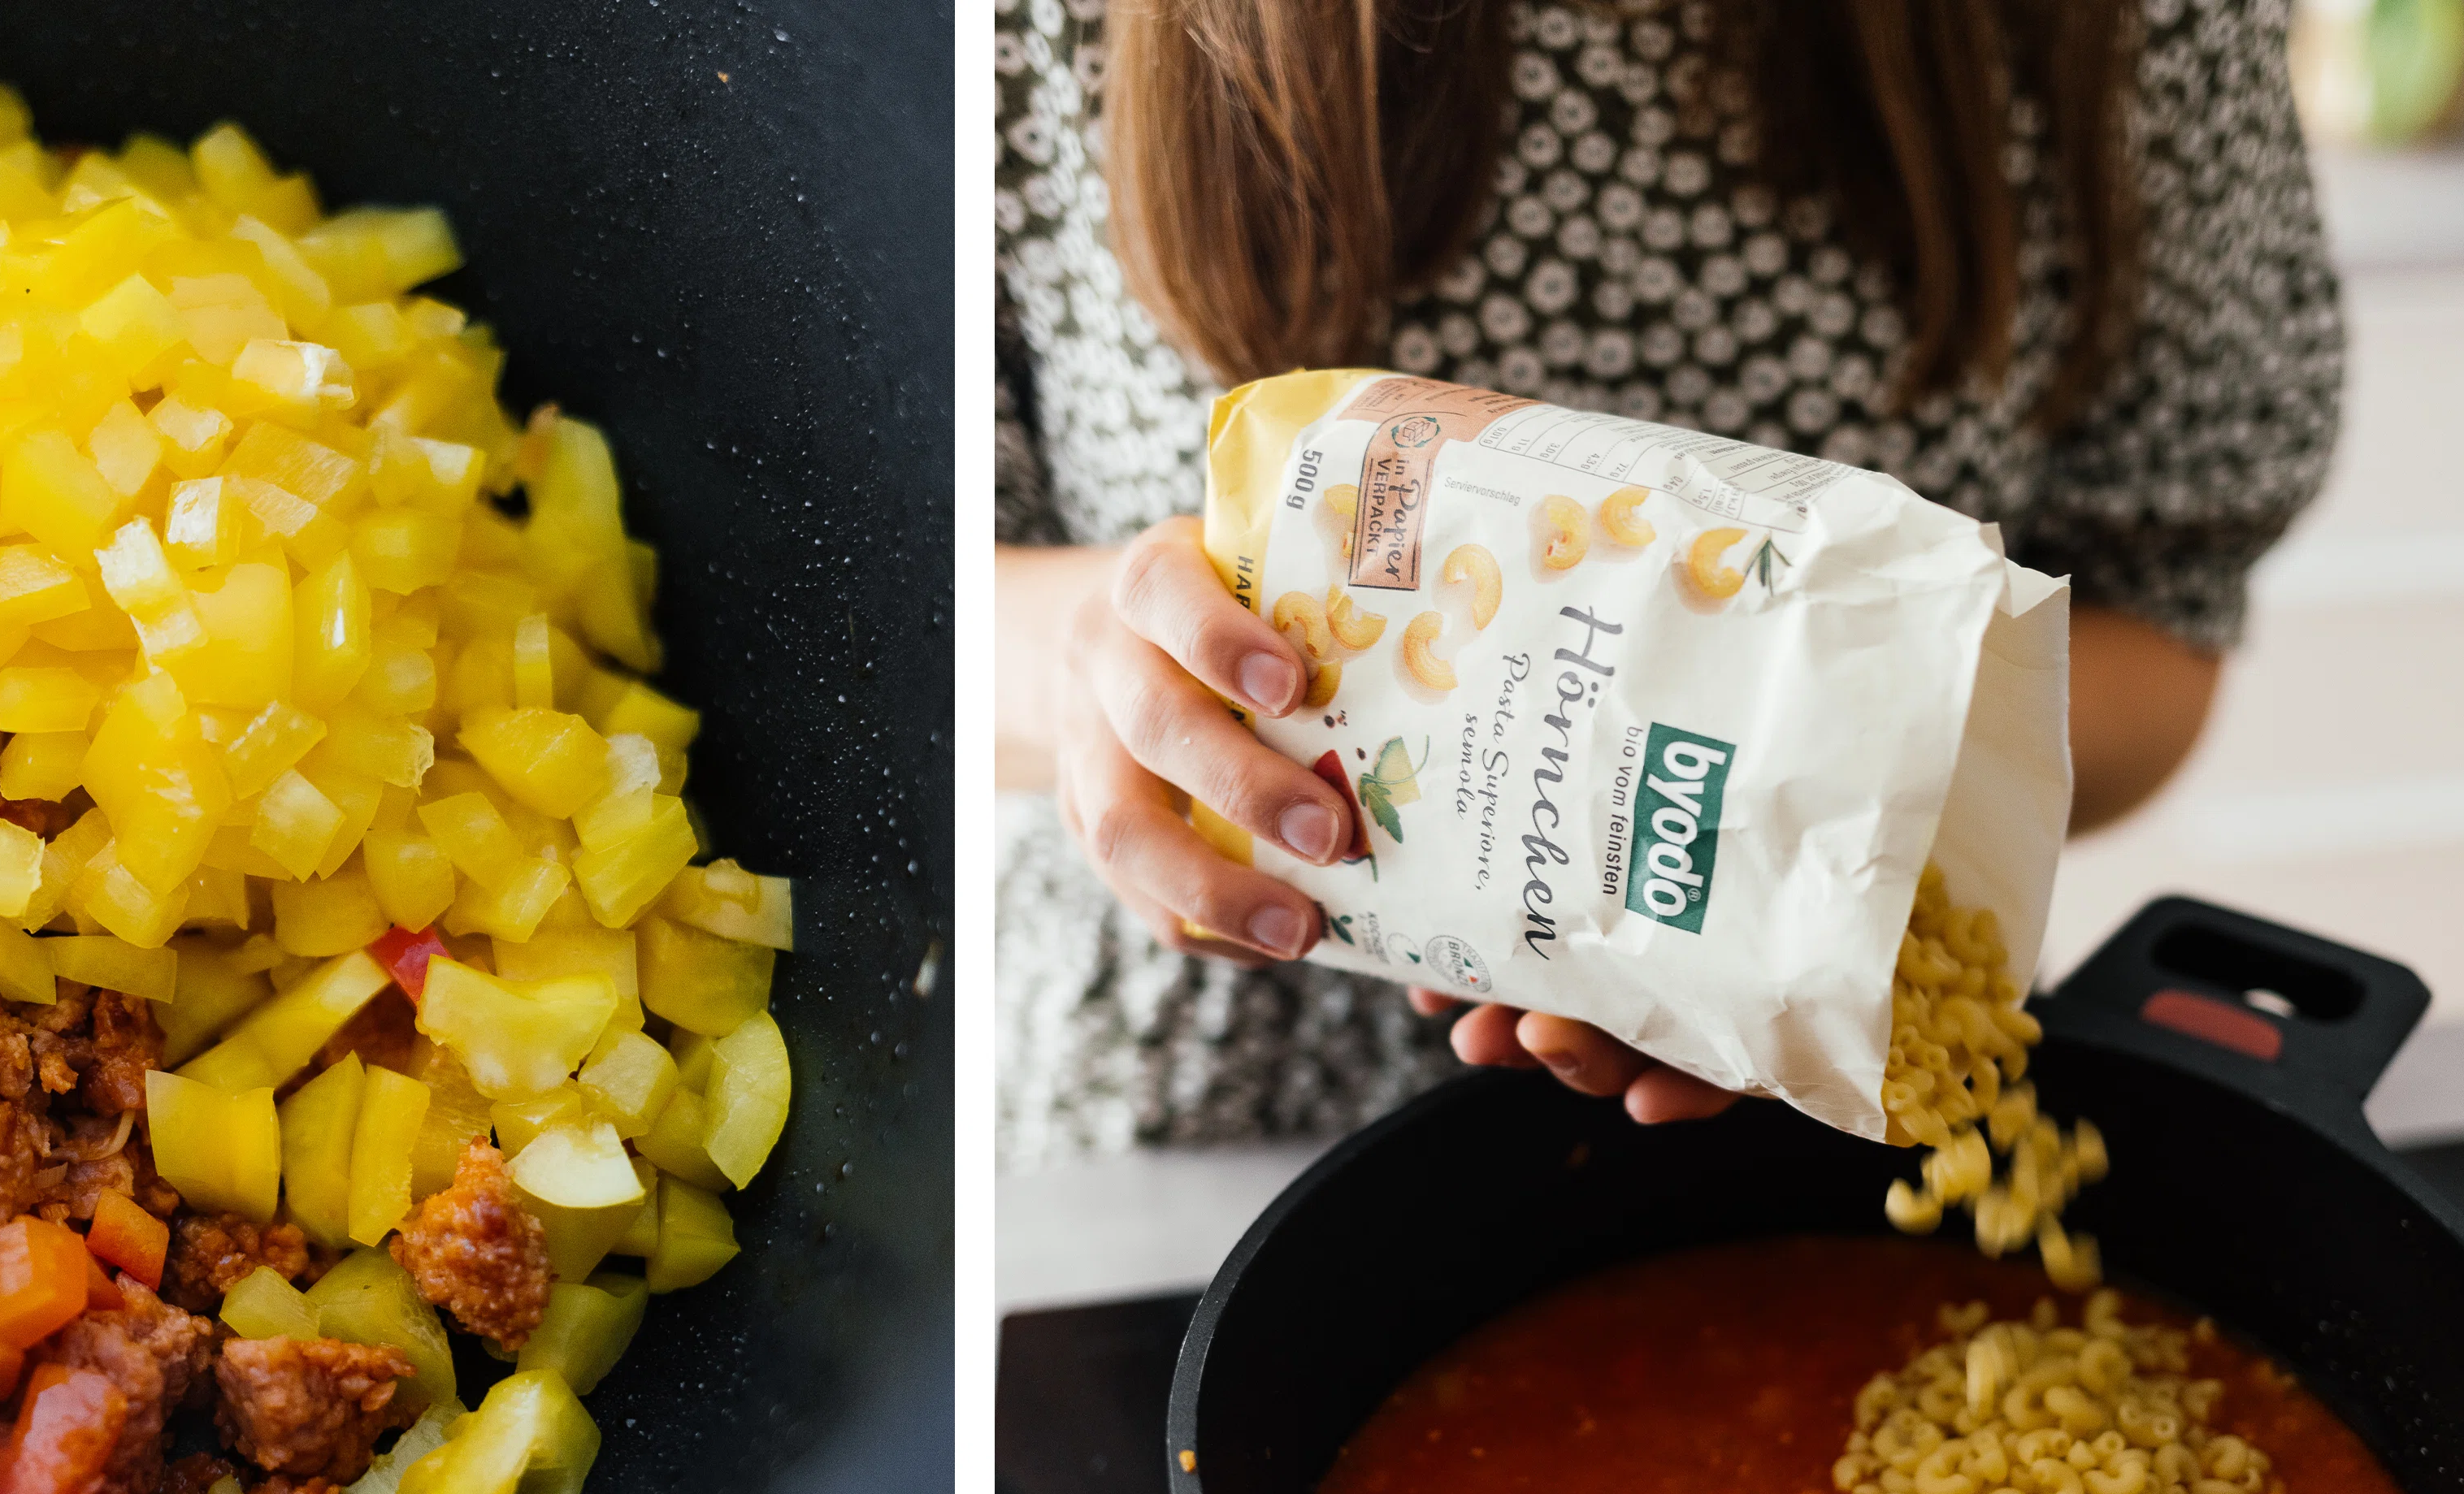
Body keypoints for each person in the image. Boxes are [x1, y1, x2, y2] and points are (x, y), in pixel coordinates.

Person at [995, 0, 2340, 1163]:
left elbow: (2161, 610)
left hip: (1830, 1087)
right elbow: (931, 593)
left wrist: (1801, 872)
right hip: (1192, 1123)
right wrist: (1094, 670)